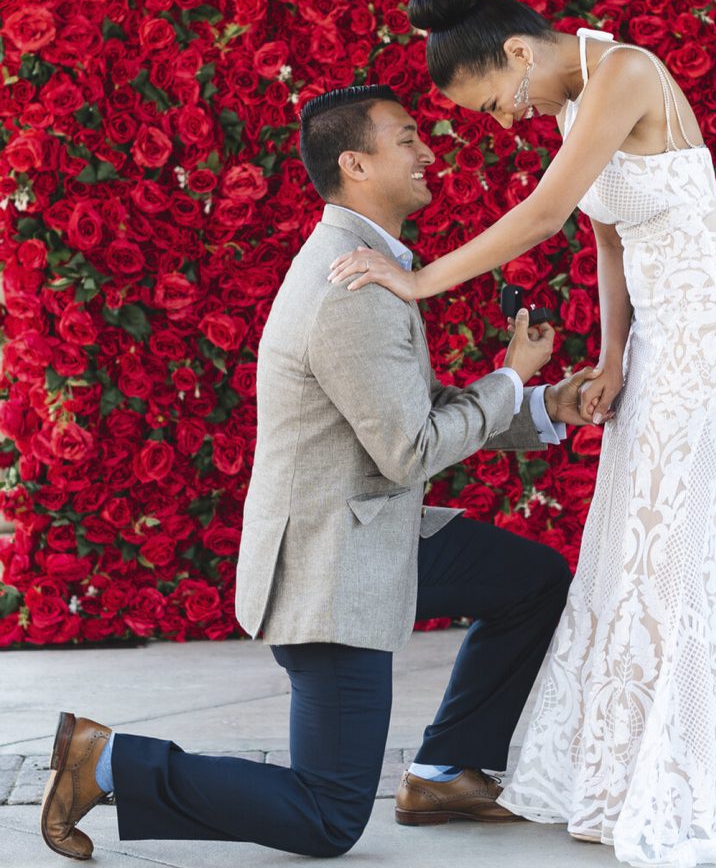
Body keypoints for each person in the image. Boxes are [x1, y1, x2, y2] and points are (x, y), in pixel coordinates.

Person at [40, 84, 602, 861]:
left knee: (530, 580)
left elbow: (404, 406)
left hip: (370, 526)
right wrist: (509, 376)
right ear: (356, 163)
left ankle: (443, 770)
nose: (428, 151)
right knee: (328, 816)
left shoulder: (363, 264)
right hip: (330, 569)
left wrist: (542, 403)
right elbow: (407, 447)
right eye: (408, 138)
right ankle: (102, 762)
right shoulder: (351, 289)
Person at [328, 0, 716, 866]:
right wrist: (616, 358)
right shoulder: (566, 102)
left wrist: (420, 278)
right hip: (660, 332)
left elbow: (548, 213)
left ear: (518, 51)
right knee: (626, 536)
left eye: (497, 103)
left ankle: (681, 776)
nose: (503, 124)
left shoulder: (625, 70)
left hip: (714, 319)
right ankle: (619, 773)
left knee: (672, 542)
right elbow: (606, 238)